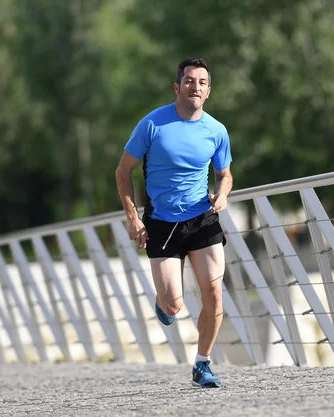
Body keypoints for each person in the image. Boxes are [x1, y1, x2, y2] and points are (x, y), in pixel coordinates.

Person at [115, 58, 233, 388]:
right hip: (161, 223)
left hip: (202, 218)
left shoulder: (216, 130)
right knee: (174, 304)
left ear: (208, 91)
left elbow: (224, 175)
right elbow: (122, 171)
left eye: (202, 82)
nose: (195, 86)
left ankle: (202, 363)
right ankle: (164, 303)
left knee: (214, 294)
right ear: (177, 86)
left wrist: (222, 194)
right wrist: (132, 218)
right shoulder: (152, 125)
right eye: (189, 81)